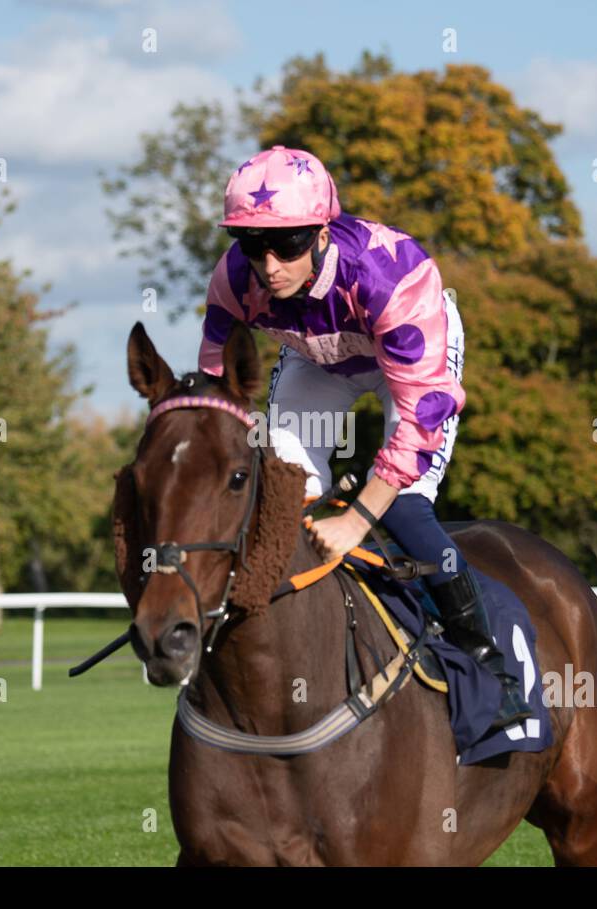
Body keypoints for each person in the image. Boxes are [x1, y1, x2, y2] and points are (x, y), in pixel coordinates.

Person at [197, 145, 530, 731]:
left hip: (406, 365)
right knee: (281, 496)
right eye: (253, 245)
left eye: (289, 243)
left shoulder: (392, 274)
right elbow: (215, 394)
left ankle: (489, 665)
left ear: (322, 233)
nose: (270, 264)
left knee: (399, 505)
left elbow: (422, 413)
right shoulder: (232, 280)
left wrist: (355, 521)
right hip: (319, 363)